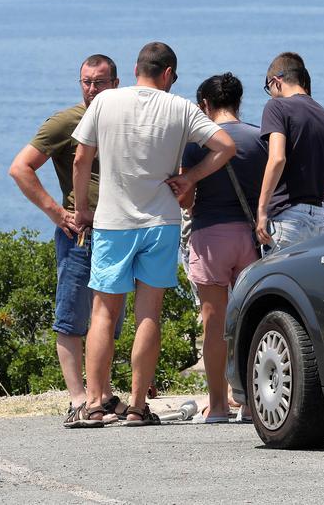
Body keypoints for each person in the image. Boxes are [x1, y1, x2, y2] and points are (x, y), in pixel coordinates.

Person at [70, 42, 237, 426]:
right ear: (168, 74)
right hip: (161, 221)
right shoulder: (179, 107)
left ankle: (94, 403)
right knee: (149, 313)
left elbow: (81, 158)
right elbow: (225, 146)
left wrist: (82, 209)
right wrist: (190, 178)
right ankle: (136, 406)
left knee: (103, 313)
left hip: (112, 221)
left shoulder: (105, 102)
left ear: (134, 69)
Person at [8, 54, 125, 428]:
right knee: (71, 314)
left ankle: (101, 395)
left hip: (119, 229)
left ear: (116, 83)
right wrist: (59, 215)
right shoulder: (66, 122)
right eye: (86, 82)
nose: (92, 89)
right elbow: (20, 167)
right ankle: (78, 399)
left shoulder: (123, 119)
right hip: (81, 234)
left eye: (99, 82)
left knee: (109, 318)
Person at [179, 73, 267, 423]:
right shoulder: (259, 138)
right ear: (238, 102)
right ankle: (248, 403)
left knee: (213, 325)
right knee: (249, 321)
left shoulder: (197, 141)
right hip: (248, 236)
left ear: (205, 105)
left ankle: (217, 406)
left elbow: (187, 198)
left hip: (210, 235)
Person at [256, 52, 324, 252]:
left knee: (274, 281)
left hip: (287, 217)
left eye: (269, 88)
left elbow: (277, 159)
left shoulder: (276, 107)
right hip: (319, 220)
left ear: (276, 81)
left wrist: (261, 209)